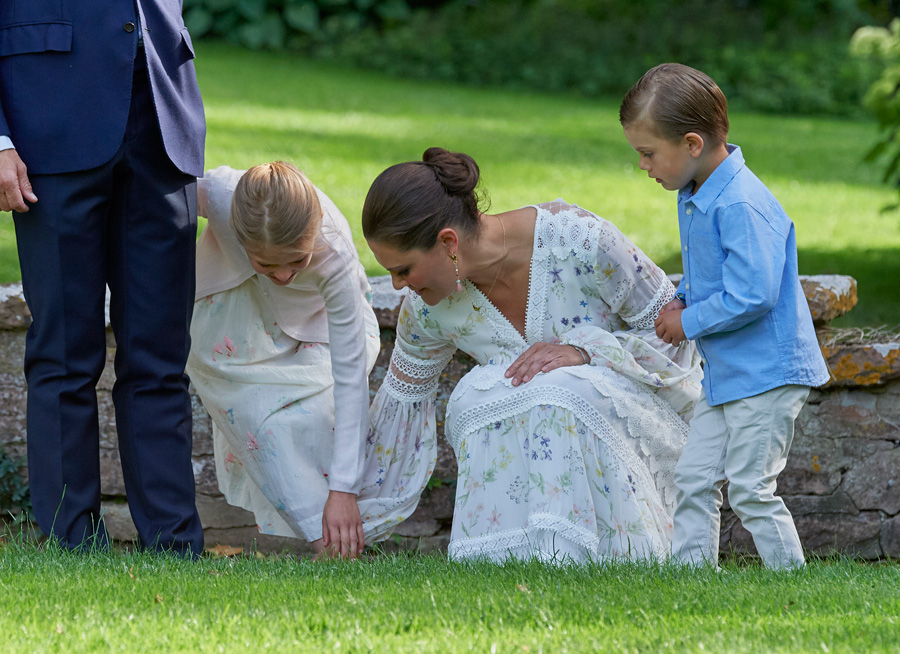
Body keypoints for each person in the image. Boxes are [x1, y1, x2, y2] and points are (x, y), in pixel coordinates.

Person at [362, 147, 703, 563]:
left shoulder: (583, 243)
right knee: (472, 396)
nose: (397, 286)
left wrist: (586, 351)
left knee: (557, 389)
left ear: (448, 242)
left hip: (646, 434)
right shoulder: (428, 308)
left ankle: (616, 556)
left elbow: (680, 338)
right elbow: (398, 410)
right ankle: (505, 561)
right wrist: (346, 500)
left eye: (403, 270)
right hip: (557, 436)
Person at [0, 2, 205, 554]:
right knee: (64, 352)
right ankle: (72, 545)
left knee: (161, 357)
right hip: (46, 117)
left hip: (164, 112)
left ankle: (174, 544)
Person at [620, 63, 830, 569]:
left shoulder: (740, 203)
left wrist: (688, 323)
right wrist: (683, 297)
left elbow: (752, 293)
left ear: (692, 143)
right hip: (729, 374)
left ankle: (790, 583)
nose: (644, 166)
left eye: (648, 154)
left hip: (767, 374)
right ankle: (691, 576)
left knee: (752, 488)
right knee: (693, 477)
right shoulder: (696, 193)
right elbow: (711, 271)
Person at [188, 163, 430, 558]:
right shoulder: (219, 193)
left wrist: (343, 489)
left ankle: (341, 537)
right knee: (261, 421)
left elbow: (352, 377)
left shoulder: (335, 255)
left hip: (317, 328)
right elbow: (153, 190)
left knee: (317, 417)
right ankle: (331, 546)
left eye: (297, 262)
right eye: (267, 263)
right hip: (236, 313)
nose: (283, 275)